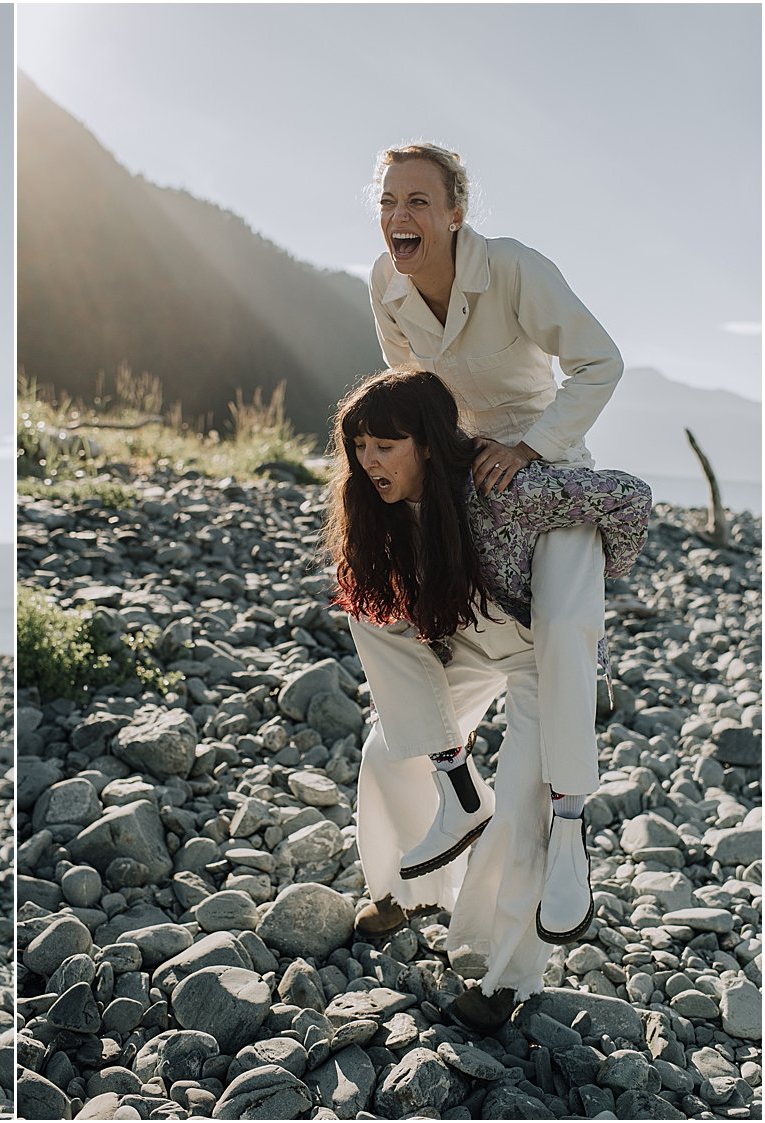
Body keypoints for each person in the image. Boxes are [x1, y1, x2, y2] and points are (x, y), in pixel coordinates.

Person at [326, 367, 650, 1034]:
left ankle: (504, 977)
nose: (370, 461)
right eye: (359, 446)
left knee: (523, 808)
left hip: (537, 652)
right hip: (467, 645)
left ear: (426, 442)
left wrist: (581, 582)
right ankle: (405, 891)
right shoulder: (375, 514)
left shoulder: (500, 488)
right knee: (389, 749)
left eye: (385, 444)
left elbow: (630, 499)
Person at [362, 141, 625, 936]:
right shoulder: (385, 285)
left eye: (416, 201)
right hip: (459, 485)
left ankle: (572, 825)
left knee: (566, 628)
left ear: (454, 213)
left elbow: (600, 362)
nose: (398, 217)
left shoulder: (512, 268)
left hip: (546, 474)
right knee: (375, 617)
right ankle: (408, 878)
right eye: (386, 202)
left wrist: (532, 447)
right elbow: (411, 399)